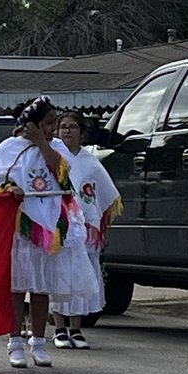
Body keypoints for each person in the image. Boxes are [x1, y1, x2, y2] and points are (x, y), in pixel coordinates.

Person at [0, 96, 98, 369]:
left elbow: (64, 176)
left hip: (49, 226)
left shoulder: (56, 147)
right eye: (47, 123)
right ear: (31, 124)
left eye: (53, 124)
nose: (53, 128)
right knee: (16, 286)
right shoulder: (8, 147)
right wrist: (10, 189)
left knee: (41, 286)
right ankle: (15, 342)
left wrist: (42, 143)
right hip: (20, 224)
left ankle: (39, 342)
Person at [50, 111, 122, 350]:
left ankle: (76, 328)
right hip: (59, 227)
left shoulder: (91, 163)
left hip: (83, 230)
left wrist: (102, 230)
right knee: (60, 275)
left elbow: (103, 196)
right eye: (63, 127)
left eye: (73, 127)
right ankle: (59, 328)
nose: (68, 131)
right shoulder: (52, 157)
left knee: (80, 276)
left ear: (81, 132)